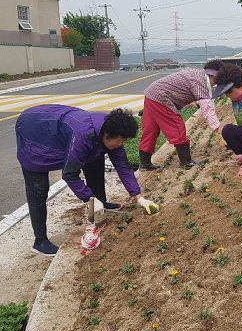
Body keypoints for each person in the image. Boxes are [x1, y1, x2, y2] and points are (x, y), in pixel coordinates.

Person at [16, 105, 158, 256]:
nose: (120, 144)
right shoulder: (84, 135)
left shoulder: (112, 129)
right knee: (39, 188)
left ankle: (100, 203)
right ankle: (40, 242)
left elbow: (123, 166)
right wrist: (89, 198)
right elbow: (70, 174)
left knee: (95, 158)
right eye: (119, 140)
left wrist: (139, 197)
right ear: (107, 134)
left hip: (59, 127)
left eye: (123, 141)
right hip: (34, 131)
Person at [139, 60, 224, 170]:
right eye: (216, 82)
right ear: (214, 76)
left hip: (151, 94)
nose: (215, 84)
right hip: (161, 98)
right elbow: (208, 109)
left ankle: (144, 163)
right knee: (176, 126)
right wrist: (218, 130)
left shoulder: (197, 74)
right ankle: (186, 161)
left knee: (150, 130)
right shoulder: (201, 81)